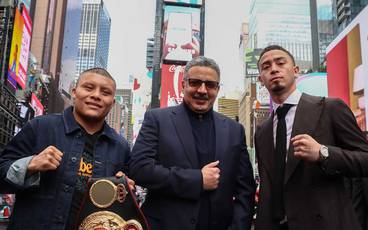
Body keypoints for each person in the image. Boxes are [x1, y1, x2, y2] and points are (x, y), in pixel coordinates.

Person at [129, 56, 256, 230]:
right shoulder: (157, 119)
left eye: (210, 85)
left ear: (217, 89)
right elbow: (139, 169)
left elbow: (245, 190)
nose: (202, 90)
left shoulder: (234, 130)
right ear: (183, 85)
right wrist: (197, 179)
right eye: (195, 82)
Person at [0, 68, 134, 229]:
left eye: (105, 92)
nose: (96, 95)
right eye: (89, 88)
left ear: (112, 103)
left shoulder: (121, 147)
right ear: (74, 92)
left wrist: (126, 192)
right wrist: (30, 165)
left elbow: (120, 208)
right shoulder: (40, 127)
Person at [254, 45, 368, 230]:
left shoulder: (330, 108)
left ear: (295, 70)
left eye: (280, 63)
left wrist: (323, 153)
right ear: (261, 79)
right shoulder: (262, 131)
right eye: (266, 67)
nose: (274, 69)